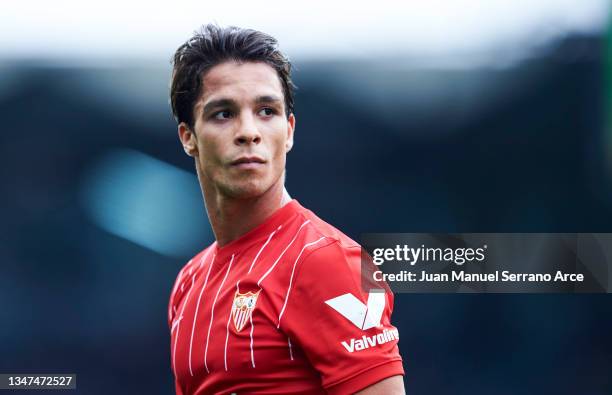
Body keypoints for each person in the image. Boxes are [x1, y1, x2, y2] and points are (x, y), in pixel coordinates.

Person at [167, 24, 405, 395]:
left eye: (266, 111)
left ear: (289, 130)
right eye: (223, 114)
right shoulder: (188, 283)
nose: (249, 131)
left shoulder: (327, 262)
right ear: (188, 137)